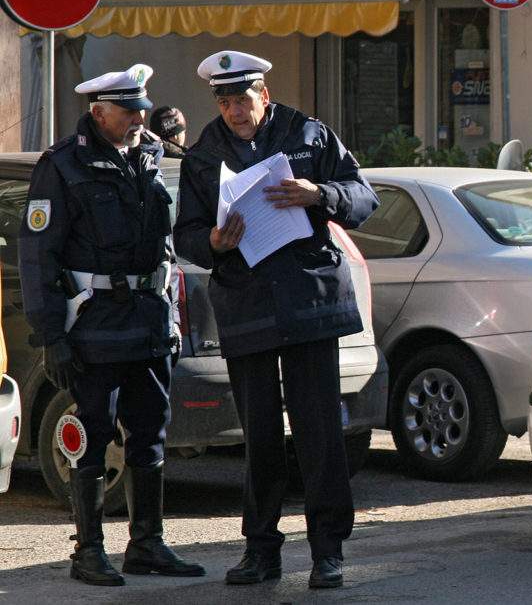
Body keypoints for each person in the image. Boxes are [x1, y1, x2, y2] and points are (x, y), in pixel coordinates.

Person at [173, 50, 379, 590]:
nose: (235, 111)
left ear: (264, 93)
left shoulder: (309, 134)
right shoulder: (204, 154)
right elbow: (186, 234)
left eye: (243, 99)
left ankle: (328, 550)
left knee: (318, 433)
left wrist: (321, 194)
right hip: (246, 305)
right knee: (259, 436)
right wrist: (212, 242)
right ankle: (260, 549)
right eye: (224, 102)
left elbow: (364, 196)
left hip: (309, 301)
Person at [19, 64, 204, 586]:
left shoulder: (149, 154)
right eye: (129, 112)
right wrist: (51, 335)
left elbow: (166, 243)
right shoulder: (62, 165)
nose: (139, 120)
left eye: (143, 111)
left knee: (150, 436)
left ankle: (146, 543)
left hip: (147, 321)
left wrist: (170, 315)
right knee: (94, 438)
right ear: (99, 113)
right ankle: (89, 551)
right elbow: (38, 258)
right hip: (94, 323)